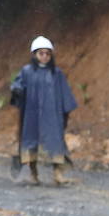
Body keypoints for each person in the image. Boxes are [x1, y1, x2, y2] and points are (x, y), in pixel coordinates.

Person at [10, 36, 77, 186]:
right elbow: (18, 86)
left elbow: (65, 94)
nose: (45, 56)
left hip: (51, 116)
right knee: (31, 143)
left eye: (47, 53)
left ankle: (58, 174)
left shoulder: (56, 73)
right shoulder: (27, 71)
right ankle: (33, 174)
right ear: (34, 54)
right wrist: (17, 91)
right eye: (41, 53)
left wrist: (64, 113)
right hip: (31, 115)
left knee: (55, 142)